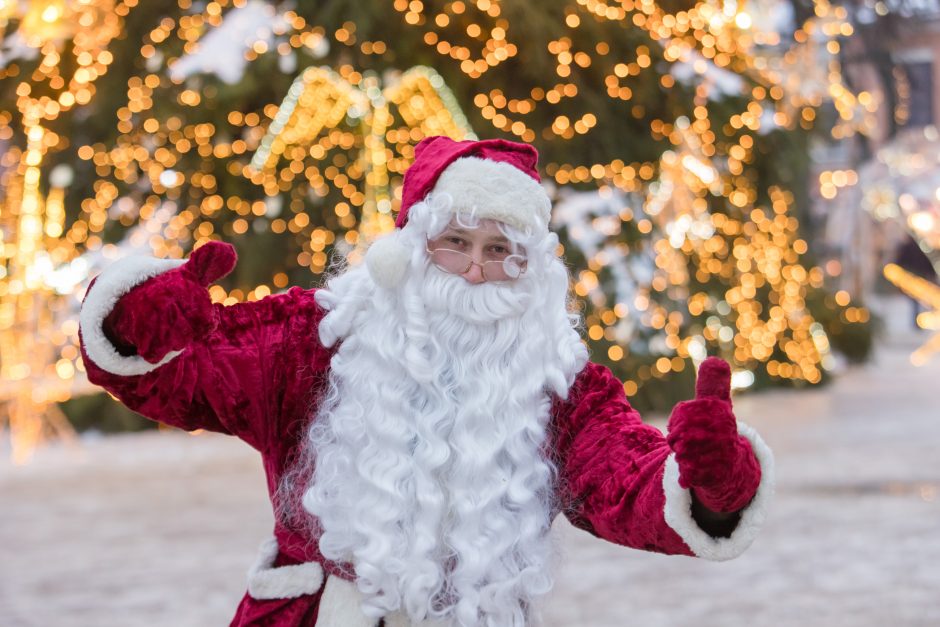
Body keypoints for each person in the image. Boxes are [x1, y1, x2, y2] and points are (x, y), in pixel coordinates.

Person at [78, 136, 774, 627]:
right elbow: (186, 376)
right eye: (457, 243)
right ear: (415, 246)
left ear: (529, 266)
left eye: (500, 250)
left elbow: (626, 481)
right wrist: (137, 322)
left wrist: (711, 486)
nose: (475, 270)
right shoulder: (317, 339)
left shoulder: (560, 384)